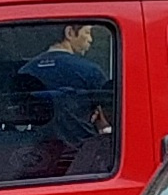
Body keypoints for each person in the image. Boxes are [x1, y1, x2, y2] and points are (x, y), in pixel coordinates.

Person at [19, 23, 113, 172]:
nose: (90, 39)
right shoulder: (90, 71)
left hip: (36, 158)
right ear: (69, 33)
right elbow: (107, 116)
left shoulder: (25, 71)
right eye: (87, 32)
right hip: (82, 157)